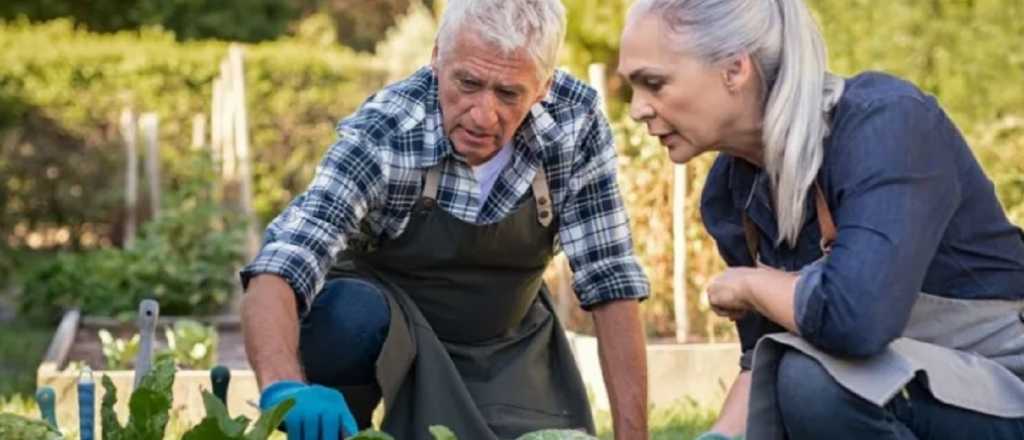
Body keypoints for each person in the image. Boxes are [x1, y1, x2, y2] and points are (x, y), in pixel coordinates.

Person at [240, 1, 651, 439]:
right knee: (348, 316)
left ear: (544, 86)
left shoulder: (575, 123)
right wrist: (283, 386)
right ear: (437, 56)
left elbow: (610, 282)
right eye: (468, 83)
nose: (482, 114)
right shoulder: (388, 131)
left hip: (505, 339)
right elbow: (285, 261)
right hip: (390, 332)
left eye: (509, 93)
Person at [617, 0, 1024, 439]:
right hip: (901, 383)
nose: (638, 109)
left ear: (734, 69)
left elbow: (856, 318)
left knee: (812, 384)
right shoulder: (730, 191)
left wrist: (750, 284)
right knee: (795, 376)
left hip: (1002, 384)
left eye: (654, 84)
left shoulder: (886, 126)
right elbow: (763, 358)